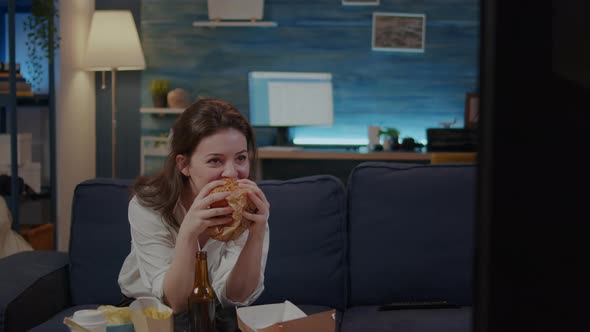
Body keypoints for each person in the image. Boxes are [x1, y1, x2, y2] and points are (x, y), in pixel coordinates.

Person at [118, 98, 270, 330]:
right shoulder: (148, 205)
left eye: (240, 158)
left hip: (219, 312)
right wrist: (188, 233)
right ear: (184, 165)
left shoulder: (250, 207)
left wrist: (256, 235)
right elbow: (176, 303)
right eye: (215, 160)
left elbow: (236, 297)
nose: (232, 173)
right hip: (156, 312)